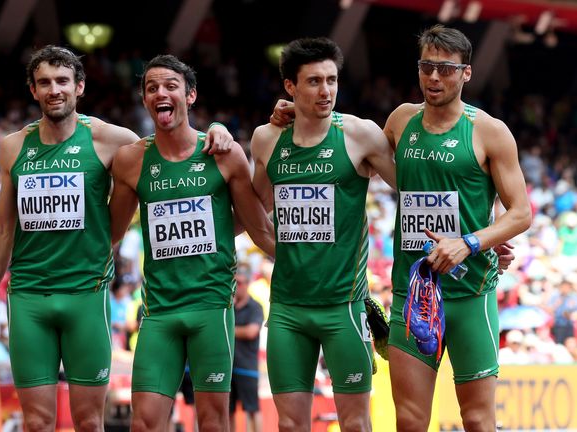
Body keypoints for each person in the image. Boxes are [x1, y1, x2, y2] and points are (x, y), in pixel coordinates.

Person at [0, 45, 234, 431]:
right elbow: (4, 228)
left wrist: (217, 130)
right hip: (28, 296)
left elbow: (173, 142)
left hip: (86, 293)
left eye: (62, 81)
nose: (54, 89)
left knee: (90, 421)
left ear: (80, 87)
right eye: (44, 83)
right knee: (37, 421)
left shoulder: (112, 139)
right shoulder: (13, 147)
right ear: (33, 90)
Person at [109, 54, 275, 432]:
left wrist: (305, 262)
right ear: (145, 99)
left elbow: (259, 228)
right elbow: (110, 235)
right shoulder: (132, 161)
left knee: (213, 423)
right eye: (152, 88)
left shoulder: (224, 154)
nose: (160, 93)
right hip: (159, 312)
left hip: (211, 309)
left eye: (170, 86)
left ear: (191, 95)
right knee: (145, 423)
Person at [382, 25, 531, 431]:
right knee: (410, 420)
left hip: (470, 295)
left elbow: (520, 213)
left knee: (478, 420)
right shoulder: (400, 121)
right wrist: (297, 116)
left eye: (446, 69)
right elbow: (355, 152)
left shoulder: (489, 131)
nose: (434, 78)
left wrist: (472, 241)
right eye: (427, 67)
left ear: (466, 73)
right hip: (413, 295)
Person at [251, 37, 396, 431]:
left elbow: (414, 188)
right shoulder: (267, 139)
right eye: (314, 81)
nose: (326, 90)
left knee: (355, 425)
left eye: (332, 80)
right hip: (287, 309)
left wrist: (479, 232)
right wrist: (275, 250)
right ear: (290, 88)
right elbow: (254, 207)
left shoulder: (360, 135)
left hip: (344, 307)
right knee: (290, 426)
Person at [230, 263, 264, 432]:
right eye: (235, 282)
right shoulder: (229, 307)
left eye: (241, 283)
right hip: (229, 367)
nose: (237, 287)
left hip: (246, 367)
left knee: (252, 409)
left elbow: (251, 331)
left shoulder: (255, 307)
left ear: (248, 283)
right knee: (228, 411)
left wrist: (228, 330)